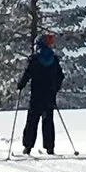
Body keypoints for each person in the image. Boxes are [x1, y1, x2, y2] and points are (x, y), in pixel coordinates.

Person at [17, 27, 64, 155]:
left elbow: (27, 74)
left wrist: (20, 85)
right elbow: (60, 76)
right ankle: (50, 148)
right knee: (48, 121)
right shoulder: (54, 60)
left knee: (32, 121)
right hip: (49, 95)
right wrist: (55, 88)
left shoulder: (34, 59)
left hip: (36, 95)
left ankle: (28, 147)